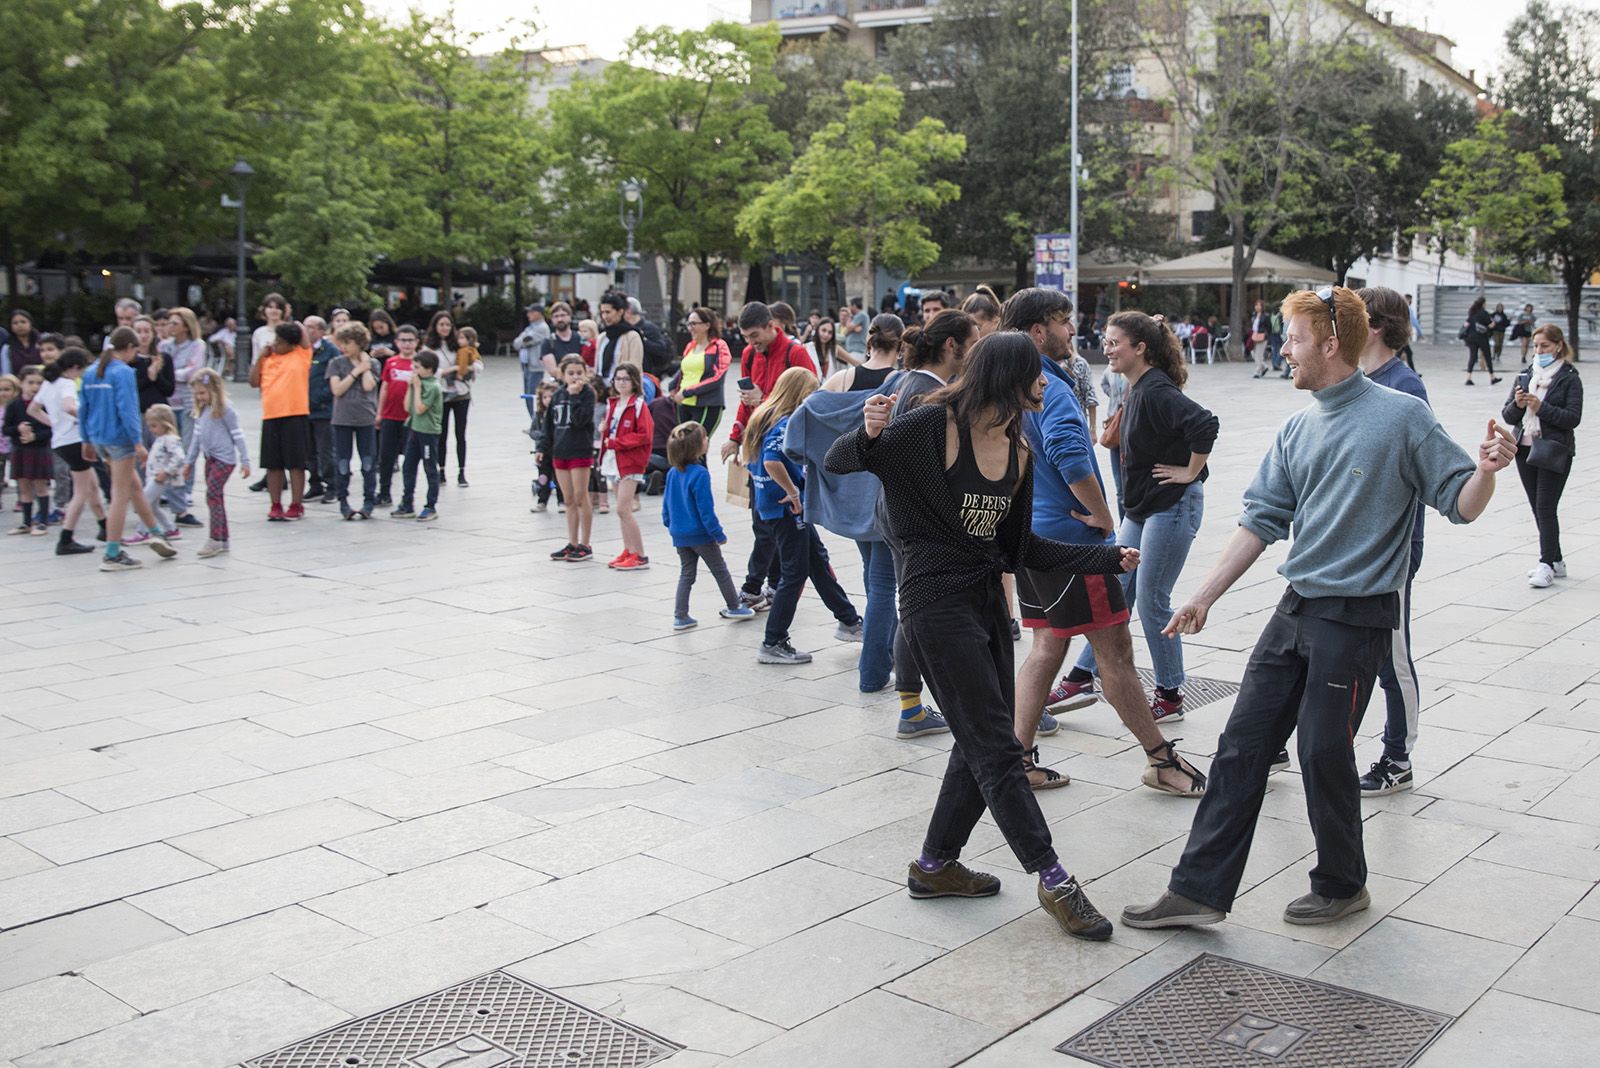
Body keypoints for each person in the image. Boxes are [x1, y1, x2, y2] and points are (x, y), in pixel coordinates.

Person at [1122, 285, 1516, 933]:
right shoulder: (1298, 427)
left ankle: (1341, 884)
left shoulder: (1401, 416)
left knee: (1322, 749)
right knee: (1243, 745)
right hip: (1297, 605)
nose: (1284, 349)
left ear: (1331, 344)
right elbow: (1261, 520)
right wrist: (1202, 594)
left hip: (1359, 613)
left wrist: (1489, 469)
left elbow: (1460, 502)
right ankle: (1198, 889)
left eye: (1295, 339)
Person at [827, 331, 1137, 940]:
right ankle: (1053, 878)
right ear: (1008, 378)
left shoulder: (1018, 449)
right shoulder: (926, 427)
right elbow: (842, 461)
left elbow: (1017, 549)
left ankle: (935, 864)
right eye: (1037, 375)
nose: (1046, 384)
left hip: (986, 605)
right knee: (998, 747)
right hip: (933, 604)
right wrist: (867, 430)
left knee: (977, 741)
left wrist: (1104, 558)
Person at [1000, 293, 1208, 796]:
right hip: (1074, 543)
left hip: (1031, 537)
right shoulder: (1048, 386)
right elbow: (1072, 455)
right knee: (1115, 653)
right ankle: (1161, 761)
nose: (1073, 331)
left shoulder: (1003, 386)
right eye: (1062, 321)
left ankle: (1018, 758)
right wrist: (1100, 514)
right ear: (1036, 332)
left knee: (1046, 647)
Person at [1063, 311, 1217, 726]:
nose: (1107, 348)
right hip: (1143, 509)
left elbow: (1205, 424)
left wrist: (1189, 470)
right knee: (1117, 590)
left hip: (1173, 505)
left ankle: (1169, 693)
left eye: (1115, 343)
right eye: (1107, 342)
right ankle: (1082, 675)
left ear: (1140, 349)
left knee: (1151, 600)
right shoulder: (1137, 386)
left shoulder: (1155, 390)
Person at [1354, 287, 1432, 795]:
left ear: (1375, 325)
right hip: (1353, 546)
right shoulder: (1357, 381)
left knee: (1392, 658)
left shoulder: (1405, 388)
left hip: (1390, 552)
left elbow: (1423, 473)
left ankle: (1398, 757)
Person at [745, 366, 862, 665]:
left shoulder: (762, 416)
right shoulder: (784, 422)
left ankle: (849, 621)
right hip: (787, 510)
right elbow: (772, 461)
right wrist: (793, 492)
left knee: (817, 562)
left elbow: (753, 460)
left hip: (772, 507)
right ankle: (773, 641)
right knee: (794, 573)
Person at [720, 302, 818, 609]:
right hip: (757, 444)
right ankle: (772, 585)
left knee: (770, 521)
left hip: (783, 449)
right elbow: (746, 403)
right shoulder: (749, 355)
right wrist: (736, 436)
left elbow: (811, 399)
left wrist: (766, 402)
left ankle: (759, 587)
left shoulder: (795, 353)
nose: (750, 343)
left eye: (754, 335)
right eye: (746, 337)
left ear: (771, 325)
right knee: (765, 520)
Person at [79, 328, 177, 570]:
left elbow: (83, 408)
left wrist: (86, 440)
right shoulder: (123, 372)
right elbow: (128, 410)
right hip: (120, 439)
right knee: (120, 495)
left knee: (134, 486)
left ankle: (155, 532)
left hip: (99, 438)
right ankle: (112, 553)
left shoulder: (92, 371)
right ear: (131, 348)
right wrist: (137, 442)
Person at [1504, 323, 1583, 590]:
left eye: (1545, 346)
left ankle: (1546, 564)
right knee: (1537, 506)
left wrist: (1542, 407)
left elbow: (1572, 418)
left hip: (1553, 449)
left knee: (1545, 507)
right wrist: (1518, 404)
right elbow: (1507, 416)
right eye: (1536, 346)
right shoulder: (1526, 375)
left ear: (1558, 346)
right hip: (1524, 448)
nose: (1539, 351)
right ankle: (1556, 559)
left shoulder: (1569, 377)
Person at [663, 421, 758, 630]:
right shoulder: (700, 474)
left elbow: (666, 507)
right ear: (696, 446)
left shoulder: (672, 473)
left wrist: (671, 525)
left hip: (680, 534)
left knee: (686, 573)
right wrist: (718, 534)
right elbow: (706, 511)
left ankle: (680, 615)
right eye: (705, 438)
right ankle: (734, 605)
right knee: (720, 570)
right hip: (701, 535)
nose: (707, 440)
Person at [30, 349, 104, 554]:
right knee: (81, 492)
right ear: (75, 368)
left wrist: (54, 424)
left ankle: (104, 526)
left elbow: (33, 410)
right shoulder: (67, 384)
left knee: (92, 485)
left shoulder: (48, 384)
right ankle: (66, 538)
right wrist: (86, 420)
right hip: (73, 440)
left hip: (61, 441)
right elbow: (69, 406)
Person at [182, 368, 251, 557]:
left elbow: (237, 434)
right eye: (196, 394)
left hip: (224, 459)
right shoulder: (201, 410)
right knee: (216, 497)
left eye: (203, 393)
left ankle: (214, 539)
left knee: (212, 494)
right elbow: (196, 439)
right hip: (209, 458)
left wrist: (245, 459)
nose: (199, 397)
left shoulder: (225, 409)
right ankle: (223, 539)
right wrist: (189, 462)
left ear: (214, 390)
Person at [250, 322, 313, 522]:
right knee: (273, 464)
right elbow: (253, 382)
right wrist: (261, 356)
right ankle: (275, 504)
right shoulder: (268, 358)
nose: (275, 344)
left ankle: (296, 504)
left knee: (296, 463)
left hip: (295, 414)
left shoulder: (301, 355)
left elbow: (303, 337)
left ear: (290, 344)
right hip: (271, 415)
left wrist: (295, 324)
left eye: (280, 341)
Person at [537, 355, 597, 561]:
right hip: (560, 451)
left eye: (579, 373)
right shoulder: (557, 395)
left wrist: (574, 397)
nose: (575, 377)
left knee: (581, 496)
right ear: (562, 375)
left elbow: (581, 420)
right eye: (570, 373)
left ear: (585, 374)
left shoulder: (588, 394)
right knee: (569, 498)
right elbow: (548, 426)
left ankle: (585, 543)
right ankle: (572, 542)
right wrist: (542, 448)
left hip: (579, 450)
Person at [599, 363, 654, 571]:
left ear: (634, 382)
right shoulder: (612, 404)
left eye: (625, 379)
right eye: (618, 378)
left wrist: (617, 443)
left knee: (624, 508)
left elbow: (644, 435)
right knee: (620, 511)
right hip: (613, 460)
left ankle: (640, 554)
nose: (621, 382)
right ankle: (628, 549)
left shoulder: (638, 405)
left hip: (630, 461)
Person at [328, 322, 380, 520]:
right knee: (342, 461)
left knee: (368, 461)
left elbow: (368, 386)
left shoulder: (373, 364)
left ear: (359, 343)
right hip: (342, 419)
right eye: (342, 343)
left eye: (348, 343)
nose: (344, 347)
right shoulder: (336, 363)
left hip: (365, 417)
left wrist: (365, 365)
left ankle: (369, 500)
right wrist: (356, 371)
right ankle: (343, 499)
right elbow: (337, 390)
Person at [163, 307, 209, 526]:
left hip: (189, 403)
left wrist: (172, 373)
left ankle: (186, 490)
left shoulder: (197, 345)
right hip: (168, 402)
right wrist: (174, 373)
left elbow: (193, 373)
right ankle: (171, 489)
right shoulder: (164, 346)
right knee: (169, 447)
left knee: (188, 447)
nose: (170, 327)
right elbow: (164, 372)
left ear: (185, 326)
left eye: (175, 323)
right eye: (169, 323)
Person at [392, 350, 443, 522]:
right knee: (408, 466)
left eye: (417, 367)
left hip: (428, 431)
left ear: (429, 369)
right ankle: (407, 504)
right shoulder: (417, 383)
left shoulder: (433, 386)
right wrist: (411, 387)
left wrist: (418, 387)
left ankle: (430, 506)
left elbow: (421, 408)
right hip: (414, 429)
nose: (414, 370)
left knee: (430, 469)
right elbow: (408, 407)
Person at [4, 365, 52, 535]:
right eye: (30, 382)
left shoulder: (44, 404)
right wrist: (18, 428)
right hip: (20, 449)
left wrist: (35, 436)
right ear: (22, 384)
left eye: (39, 383)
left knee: (41, 486)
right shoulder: (14, 405)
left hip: (39, 449)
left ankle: (43, 522)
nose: (35, 387)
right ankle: (26, 522)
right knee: (23, 486)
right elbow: (6, 429)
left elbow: (51, 429)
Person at [374, 325, 419, 507]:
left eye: (410, 340)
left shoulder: (419, 363)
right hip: (390, 416)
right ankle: (384, 492)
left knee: (409, 459)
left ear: (416, 342)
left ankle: (407, 496)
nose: (407, 344)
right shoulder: (391, 362)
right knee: (385, 457)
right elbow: (384, 387)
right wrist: (379, 412)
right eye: (403, 340)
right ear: (396, 342)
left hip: (411, 418)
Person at [671, 307, 731, 436]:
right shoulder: (690, 346)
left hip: (707, 404)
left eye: (694, 323)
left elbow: (718, 377)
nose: (690, 328)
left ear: (707, 325)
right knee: (682, 447)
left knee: (697, 447)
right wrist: (673, 386)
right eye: (688, 324)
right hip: (684, 403)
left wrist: (688, 392)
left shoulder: (719, 346)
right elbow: (683, 370)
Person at [439, 325, 481, 488]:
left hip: (461, 395)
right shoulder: (439, 347)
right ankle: (441, 470)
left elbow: (478, 365)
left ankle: (461, 471)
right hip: (443, 394)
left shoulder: (465, 350)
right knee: (441, 434)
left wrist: (460, 370)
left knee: (460, 434)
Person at [303, 316, 338, 502]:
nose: (307, 330)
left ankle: (332, 486)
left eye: (311, 327)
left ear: (321, 331)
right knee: (309, 451)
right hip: (303, 408)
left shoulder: (330, 351)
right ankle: (315, 484)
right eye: (305, 326)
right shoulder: (301, 349)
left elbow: (333, 379)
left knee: (326, 450)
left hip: (323, 408)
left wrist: (316, 398)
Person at [139, 404, 186, 538]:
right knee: (153, 507)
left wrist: (166, 472)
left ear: (165, 424)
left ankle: (142, 532)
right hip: (154, 476)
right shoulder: (161, 439)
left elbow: (179, 457)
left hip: (159, 478)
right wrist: (148, 462)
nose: (151, 429)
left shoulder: (170, 439)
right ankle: (171, 529)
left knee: (144, 502)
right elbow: (161, 456)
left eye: (154, 426)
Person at [823, 314, 899, 393]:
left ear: (868, 340)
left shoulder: (842, 378)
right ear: (900, 346)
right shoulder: (902, 383)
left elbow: (812, 402)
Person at [596, 293, 643, 384]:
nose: (605, 317)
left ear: (620, 312)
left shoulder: (632, 336)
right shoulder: (602, 337)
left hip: (624, 390)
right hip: (601, 390)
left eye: (608, 312)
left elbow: (634, 368)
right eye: (602, 312)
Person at [529, 380, 561, 512]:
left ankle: (562, 501)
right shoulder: (539, 415)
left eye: (551, 397)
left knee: (559, 477)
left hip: (558, 450)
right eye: (545, 397)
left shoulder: (559, 413)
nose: (548, 400)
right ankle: (542, 501)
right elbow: (532, 431)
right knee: (543, 477)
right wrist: (542, 436)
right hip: (543, 452)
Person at [515, 305, 551, 417]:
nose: (528, 315)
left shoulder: (542, 328)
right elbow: (516, 343)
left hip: (536, 366)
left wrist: (523, 340)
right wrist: (523, 340)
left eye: (531, 312)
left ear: (539, 313)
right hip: (526, 365)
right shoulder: (529, 328)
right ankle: (533, 421)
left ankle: (536, 421)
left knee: (533, 395)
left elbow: (526, 341)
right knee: (527, 395)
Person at [625, 296, 674, 376]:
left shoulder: (649, 328)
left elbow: (660, 349)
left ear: (629, 311)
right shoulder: (625, 328)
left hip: (648, 374)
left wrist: (643, 341)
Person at [1463, 295, 1499, 386]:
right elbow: (1490, 325)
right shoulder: (1484, 313)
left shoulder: (1472, 312)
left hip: (1471, 338)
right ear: (1483, 304)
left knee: (1472, 357)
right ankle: (1492, 377)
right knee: (1487, 357)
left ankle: (1468, 378)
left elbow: (1467, 324)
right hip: (1482, 338)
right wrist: (1493, 324)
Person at [2, 311, 41, 375]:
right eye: (15, 323)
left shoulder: (42, 342)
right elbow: (6, 373)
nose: (20, 325)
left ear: (30, 323)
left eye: (23, 322)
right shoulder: (7, 348)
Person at [1250, 299, 1273, 378]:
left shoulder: (1266, 316)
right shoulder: (1254, 315)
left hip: (1263, 337)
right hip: (1254, 336)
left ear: (1262, 307)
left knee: (1259, 355)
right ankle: (1264, 366)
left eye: (1258, 305)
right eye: (1256, 305)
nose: (1256, 307)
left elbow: (1269, 327)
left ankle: (1257, 371)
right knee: (1253, 353)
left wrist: (1266, 335)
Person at [843, 297, 870, 362]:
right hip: (854, 351)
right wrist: (854, 328)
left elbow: (848, 327)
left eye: (849, 306)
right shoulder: (856, 316)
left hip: (857, 351)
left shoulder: (861, 315)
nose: (848, 308)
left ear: (854, 306)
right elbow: (846, 331)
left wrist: (849, 315)